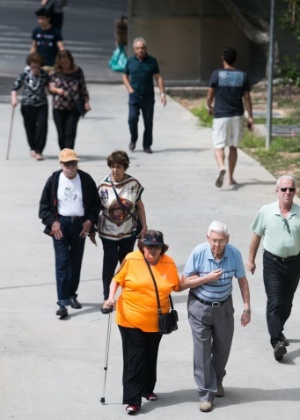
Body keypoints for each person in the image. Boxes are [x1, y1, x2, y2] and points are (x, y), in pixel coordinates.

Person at [106, 230, 180, 414]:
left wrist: (201, 280)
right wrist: (110, 298)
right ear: (142, 247)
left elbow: (177, 285)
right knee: (135, 358)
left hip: (157, 320)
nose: (153, 250)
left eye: (157, 247)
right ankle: (133, 399)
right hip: (130, 319)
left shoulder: (169, 262)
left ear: (162, 249)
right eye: (149, 246)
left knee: (150, 354)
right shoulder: (131, 259)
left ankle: (147, 389)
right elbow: (116, 280)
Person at [181, 220, 251, 412]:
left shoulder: (234, 254)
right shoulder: (198, 252)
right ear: (207, 238)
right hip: (199, 307)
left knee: (222, 349)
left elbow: (243, 282)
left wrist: (246, 308)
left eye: (220, 241)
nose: (216, 245)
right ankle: (205, 393)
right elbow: (182, 283)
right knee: (202, 351)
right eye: (213, 240)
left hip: (224, 307)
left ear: (227, 240)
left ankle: (217, 379)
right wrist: (206, 278)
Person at [39, 148, 101, 318]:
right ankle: (62, 302)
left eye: (73, 163)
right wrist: (53, 223)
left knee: (75, 262)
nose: (70, 167)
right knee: (62, 263)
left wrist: (89, 221)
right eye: (66, 164)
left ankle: (72, 294)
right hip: (61, 226)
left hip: (80, 225)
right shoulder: (54, 180)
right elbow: (44, 207)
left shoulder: (85, 179)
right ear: (61, 164)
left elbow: (96, 203)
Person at [247, 175, 300, 361]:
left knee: (287, 303)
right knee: (275, 300)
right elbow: (256, 236)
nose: (287, 192)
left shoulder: (299, 212)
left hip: (294, 263)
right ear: (277, 191)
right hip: (272, 262)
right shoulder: (266, 211)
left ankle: (279, 329)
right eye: (284, 189)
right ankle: (277, 341)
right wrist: (251, 260)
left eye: (291, 189)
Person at [96, 150, 147, 314]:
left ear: (125, 167)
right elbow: (95, 208)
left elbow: (139, 206)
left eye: (118, 166)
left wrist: (144, 227)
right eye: (112, 166)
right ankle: (107, 298)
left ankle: (127, 297)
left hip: (128, 232)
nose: (114, 170)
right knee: (109, 264)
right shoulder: (102, 185)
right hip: (108, 233)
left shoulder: (133, 184)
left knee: (126, 264)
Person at [206, 46, 253, 188]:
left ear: (223, 59)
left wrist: (209, 107)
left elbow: (210, 95)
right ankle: (231, 178)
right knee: (233, 147)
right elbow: (247, 97)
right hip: (237, 115)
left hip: (221, 115)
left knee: (219, 145)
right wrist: (250, 116)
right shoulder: (243, 75)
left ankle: (221, 166)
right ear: (235, 59)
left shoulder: (216, 74)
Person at [123, 37, 166, 154]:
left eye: (142, 48)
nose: (140, 50)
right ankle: (133, 138)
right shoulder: (130, 61)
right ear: (134, 49)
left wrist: (162, 93)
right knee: (132, 119)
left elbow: (158, 77)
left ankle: (147, 145)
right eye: (138, 48)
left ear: (146, 48)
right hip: (134, 96)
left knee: (148, 122)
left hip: (148, 96)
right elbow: (125, 76)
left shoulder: (152, 61)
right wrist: (130, 89)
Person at [11, 52, 50, 161]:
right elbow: (15, 87)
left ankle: (39, 151)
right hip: (27, 105)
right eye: (33, 67)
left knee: (42, 127)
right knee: (30, 127)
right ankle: (32, 147)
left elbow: (50, 86)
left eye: (37, 67)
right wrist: (14, 99)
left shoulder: (44, 74)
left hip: (41, 104)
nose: (35, 69)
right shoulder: (25, 73)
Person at [49, 49, 90, 150]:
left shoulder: (77, 71)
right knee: (61, 134)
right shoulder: (54, 72)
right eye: (62, 63)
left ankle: (69, 155)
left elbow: (83, 88)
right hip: (58, 107)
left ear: (71, 60)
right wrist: (57, 90)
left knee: (70, 132)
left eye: (67, 62)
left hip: (73, 106)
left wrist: (86, 101)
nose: (65, 65)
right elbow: (50, 88)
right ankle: (63, 154)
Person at [30, 7, 64, 72]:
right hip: (39, 64)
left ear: (48, 19)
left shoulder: (55, 32)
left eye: (43, 19)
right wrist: (31, 59)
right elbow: (34, 47)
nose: (41, 21)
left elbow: (61, 47)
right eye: (39, 19)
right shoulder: (36, 31)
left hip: (51, 64)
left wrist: (60, 60)